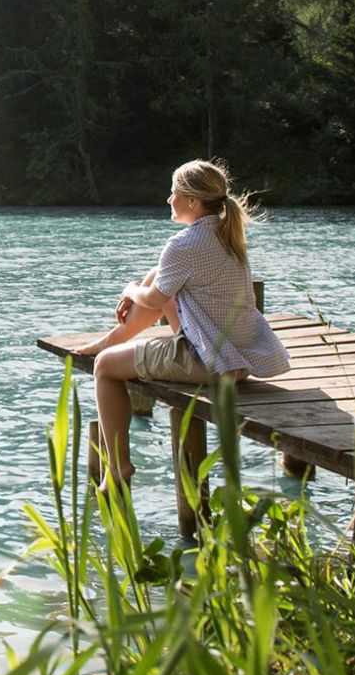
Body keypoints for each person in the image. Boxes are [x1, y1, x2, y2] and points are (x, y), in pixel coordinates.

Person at [74, 160, 291, 487]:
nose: (168, 199)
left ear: (192, 201)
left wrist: (130, 288)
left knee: (104, 367)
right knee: (160, 284)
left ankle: (118, 468)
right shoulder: (227, 233)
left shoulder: (183, 245)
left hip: (212, 364)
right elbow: (163, 284)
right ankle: (113, 339)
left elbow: (151, 300)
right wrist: (144, 283)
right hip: (241, 358)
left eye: (173, 193)